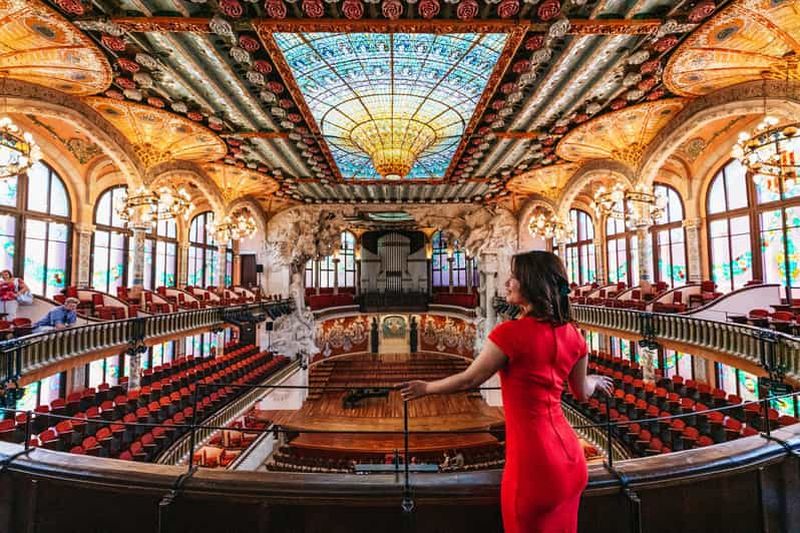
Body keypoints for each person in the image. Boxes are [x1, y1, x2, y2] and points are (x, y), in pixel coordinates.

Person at [400, 251, 613, 533]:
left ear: (531, 283)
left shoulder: (509, 334)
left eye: (514, 277)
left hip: (533, 462)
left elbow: (469, 380)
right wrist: (595, 380)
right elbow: (582, 392)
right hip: (571, 460)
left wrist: (426, 388)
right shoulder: (574, 334)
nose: (507, 283)